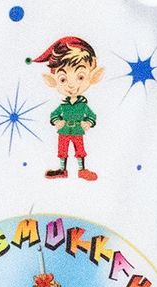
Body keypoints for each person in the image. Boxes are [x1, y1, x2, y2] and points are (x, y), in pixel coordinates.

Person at [28, 34, 103, 179]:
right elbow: (54, 114)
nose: (71, 85)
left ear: (94, 76)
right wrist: (56, 121)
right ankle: (62, 170)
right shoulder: (63, 105)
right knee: (62, 150)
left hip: (77, 130)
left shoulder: (83, 105)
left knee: (80, 150)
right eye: (63, 79)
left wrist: (88, 122)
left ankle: (82, 170)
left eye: (80, 77)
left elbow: (91, 115)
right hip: (63, 130)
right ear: (52, 80)